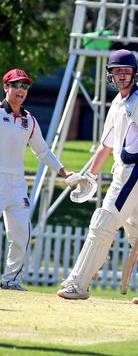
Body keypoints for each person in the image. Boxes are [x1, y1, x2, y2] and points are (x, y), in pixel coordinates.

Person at [57, 49, 138, 306]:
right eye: (117, 71)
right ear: (111, 75)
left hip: (136, 172)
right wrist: (89, 175)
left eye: (126, 71)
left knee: (103, 221)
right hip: (121, 171)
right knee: (137, 230)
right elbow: (105, 146)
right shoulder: (117, 104)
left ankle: (78, 283)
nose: (122, 75)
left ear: (135, 73)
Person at [0, 69, 75, 291]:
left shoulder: (29, 120)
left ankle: (10, 280)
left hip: (17, 184)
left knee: (21, 234)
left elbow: (42, 151)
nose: (21, 90)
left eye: (25, 86)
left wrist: (63, 171)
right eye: (16, 85)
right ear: (6, 87)